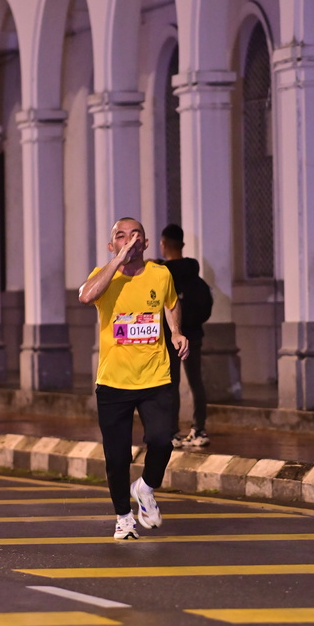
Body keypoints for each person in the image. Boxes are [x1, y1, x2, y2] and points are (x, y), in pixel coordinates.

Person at [79, 217, 189, 539]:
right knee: (117, 457)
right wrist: (117, 262)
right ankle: (123, 517)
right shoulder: (103, 277)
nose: (129, 240)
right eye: (121, 236)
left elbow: (171, 304)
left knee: (162, 440)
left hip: (155, 376)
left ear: (146, 243)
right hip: (113, 381)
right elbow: (85, 296)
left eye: (135, 235)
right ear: (111, 244)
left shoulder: (160, 273)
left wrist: (176, 331)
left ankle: (146, 486)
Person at [159, 223, 211, 449]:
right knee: (196, 381)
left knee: (171, 383)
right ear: (182, 244)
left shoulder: (162, 275)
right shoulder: (193, 274)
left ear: (163, 245)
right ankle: (199, 429)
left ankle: (172, 432)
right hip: (193, 335)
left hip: (170, 336)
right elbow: (205, 306)